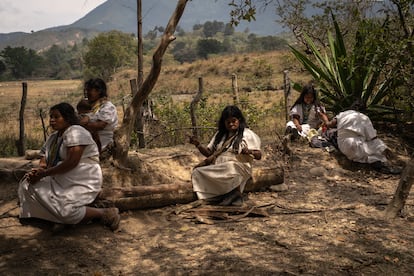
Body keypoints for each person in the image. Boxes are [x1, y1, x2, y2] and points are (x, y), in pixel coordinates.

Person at [18, 102, 120, 231]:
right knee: (27, 184)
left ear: (67, 118)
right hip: (60, 179)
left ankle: (104, 213)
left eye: (56, 117)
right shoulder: (53, 137)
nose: (52, 120)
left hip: (81, 180)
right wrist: (38, 171)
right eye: (51, 117)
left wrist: (44, 174)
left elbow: (72, 162)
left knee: (67, 211)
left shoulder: (76, 131)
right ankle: (57, 217)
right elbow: (44, 160)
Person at [189, 105, 262, 206]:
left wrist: (250, 152)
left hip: (239, 167)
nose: (231, 124)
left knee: (231, 166)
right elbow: (209, 154)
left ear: (239, 120)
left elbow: (259, 155)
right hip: (219, 167)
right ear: (224, 123)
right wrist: (197, 144)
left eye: (234, 121)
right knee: (197, 172)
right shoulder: (220, 135)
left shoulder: (247, 134)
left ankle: (234, 193)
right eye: (228, 122)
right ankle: (221, 196)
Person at [318, 105, 399, 174]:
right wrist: (382, 147)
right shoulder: (364, 118)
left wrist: (324, 116)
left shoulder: (343, 114)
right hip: (356, 147)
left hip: (342, 146)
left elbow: (329, 125)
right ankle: (380, 163)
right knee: (375, 145)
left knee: (336, 134)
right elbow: (373, 137)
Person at [81, 78, 118, 155]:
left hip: (103, 143)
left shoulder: (108, 107)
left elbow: (100, 125)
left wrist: (80, 124)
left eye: (90, 90)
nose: (87, 93)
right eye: (87, 90)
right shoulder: (89, 106)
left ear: (99, 91)